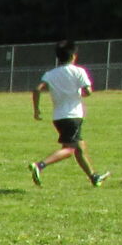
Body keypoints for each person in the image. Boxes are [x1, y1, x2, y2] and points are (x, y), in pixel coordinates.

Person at [29, 40, 108, 187]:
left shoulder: (50, 74)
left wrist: (36, 110)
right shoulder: (78, 71)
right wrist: (81, 93)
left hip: (58, 117)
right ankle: (40, 165)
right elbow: (88, 91)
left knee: (79, 147)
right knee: (70, 149)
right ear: (73, 56)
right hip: (73, 116)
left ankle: (94, 177)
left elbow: (37, 89)